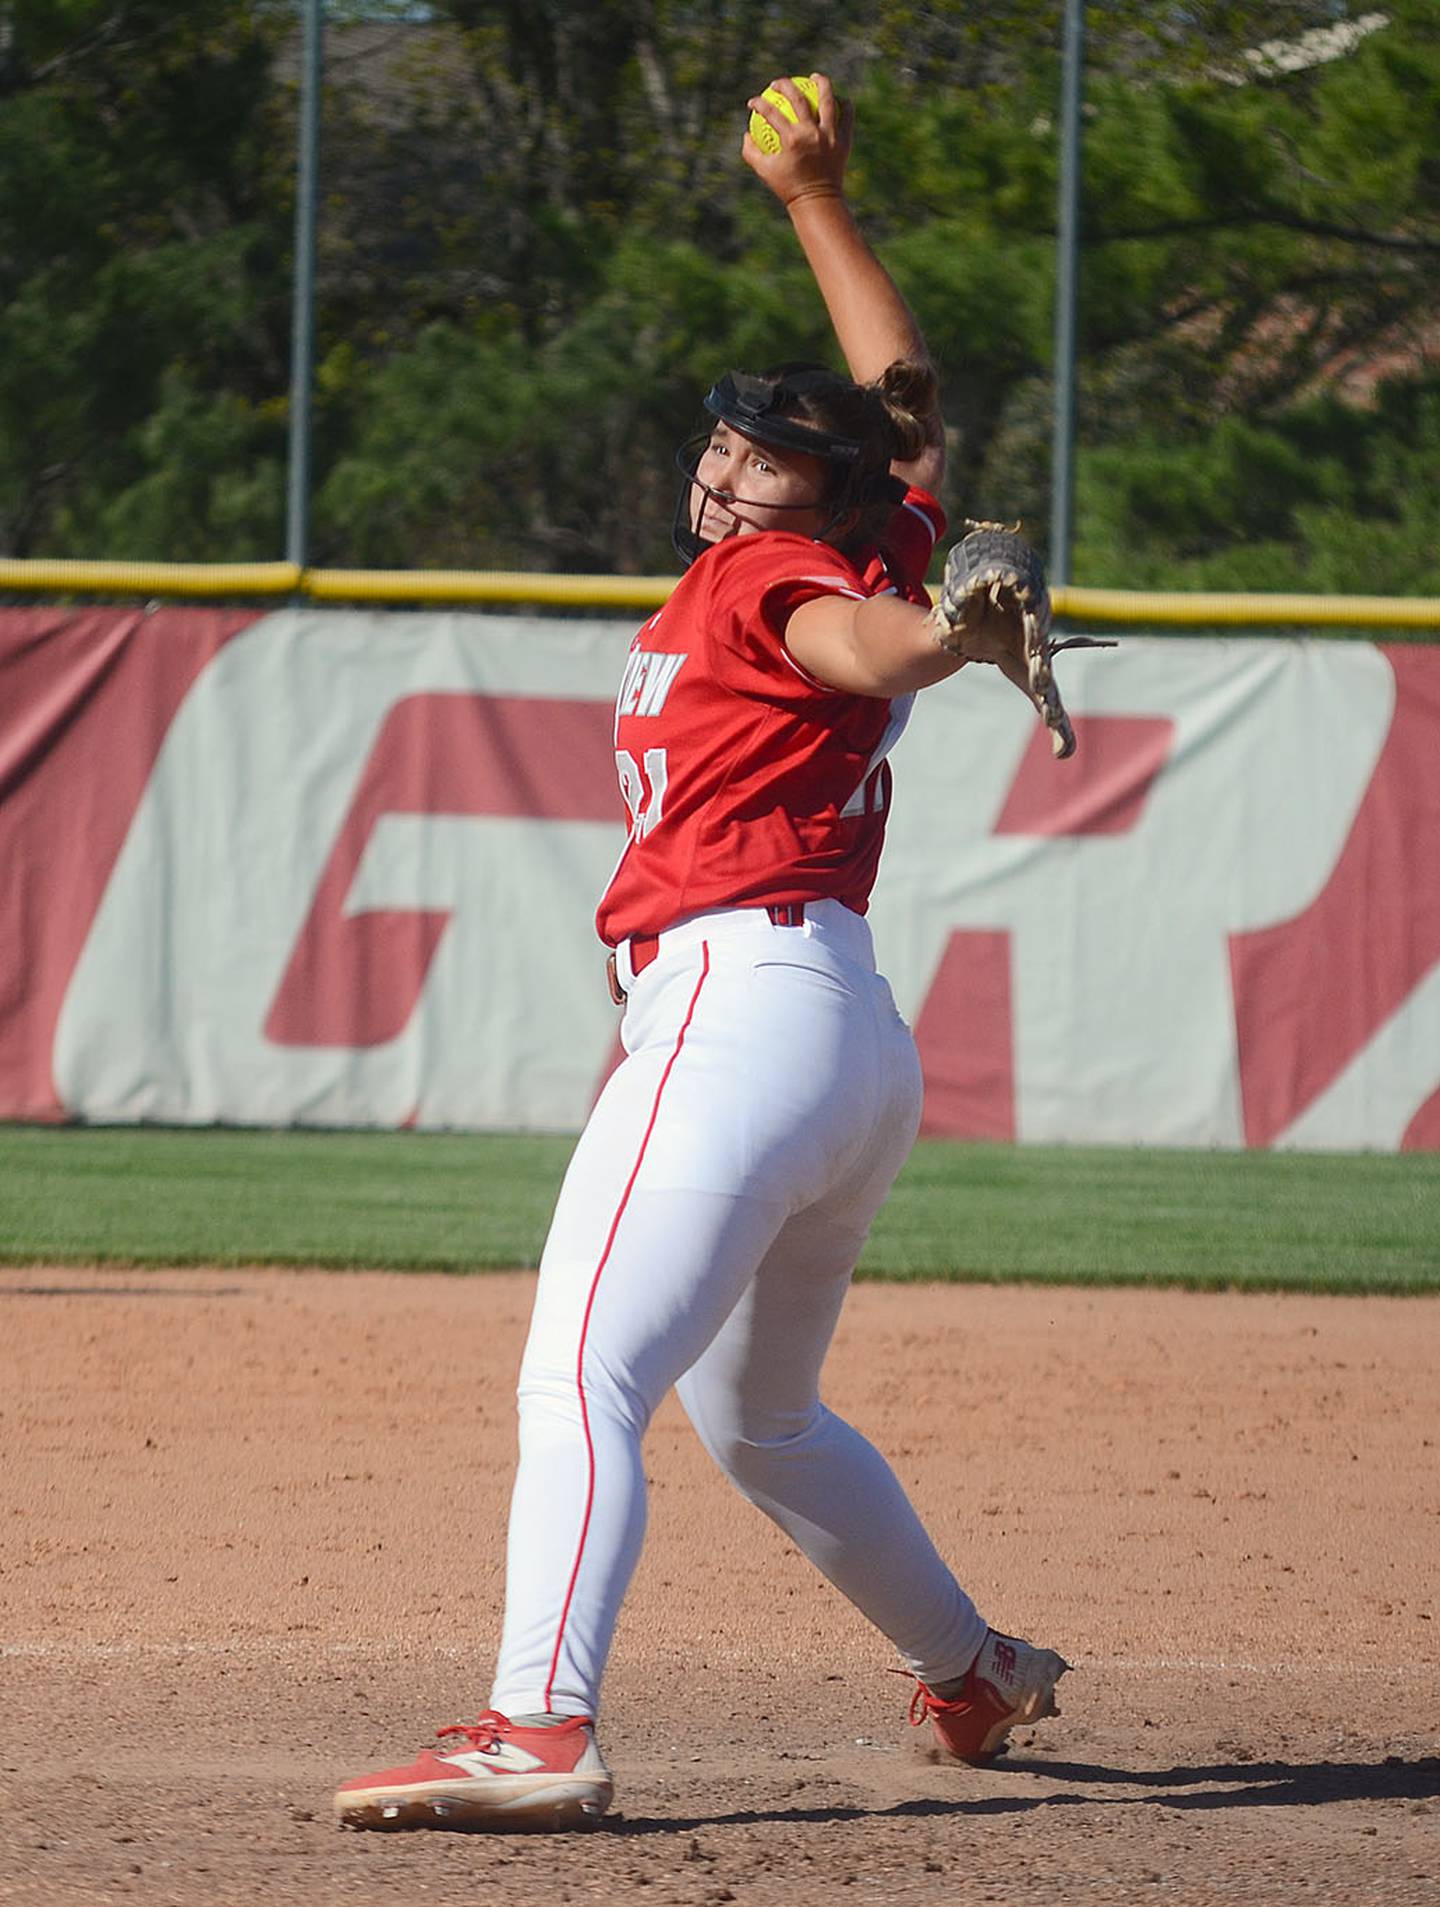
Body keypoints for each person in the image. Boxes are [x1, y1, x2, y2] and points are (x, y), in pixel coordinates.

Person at [334, 73, 1068, 1834]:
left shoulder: (773, 580)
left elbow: (864, 644)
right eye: (725, 444)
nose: (727, 467)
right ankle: (973, 1670)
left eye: (764, 458)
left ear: (809, 498)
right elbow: (908, 416)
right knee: (762, 1418)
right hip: (841, 1038)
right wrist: (813, 199)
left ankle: (538, 1730)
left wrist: (945, 641)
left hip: (740, 1011)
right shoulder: (839, 537)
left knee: (582, 1375)